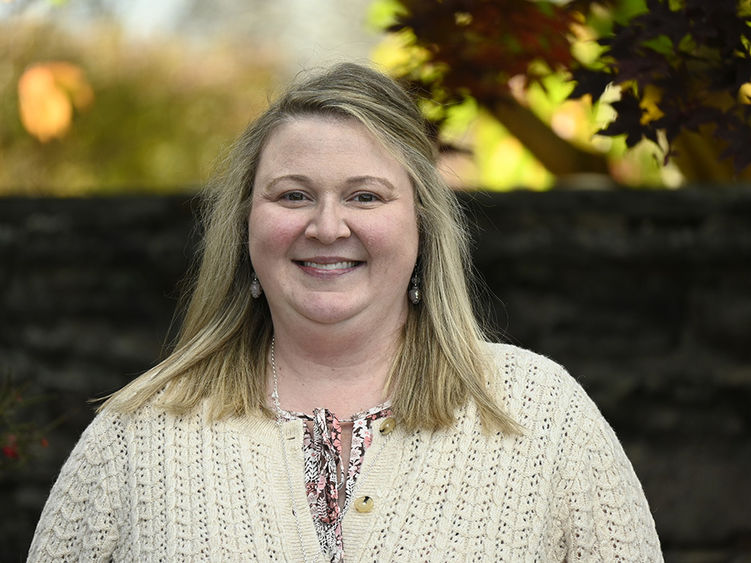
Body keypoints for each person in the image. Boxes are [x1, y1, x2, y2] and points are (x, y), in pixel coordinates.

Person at [28, 62, 662, 562]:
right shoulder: (139, 433)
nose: (327, 227)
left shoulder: (541, 415)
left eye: (365, 195)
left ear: (422, 224)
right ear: (245, 224)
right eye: (294, 195)